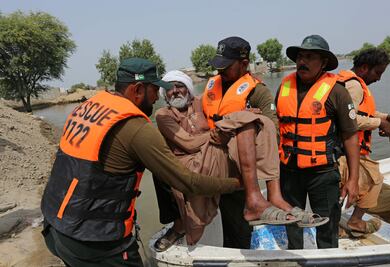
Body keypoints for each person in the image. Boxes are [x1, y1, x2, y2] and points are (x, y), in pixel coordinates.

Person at [40, 58, 241, 267]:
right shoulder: (136, 128)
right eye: (155, 90)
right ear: (137, 90)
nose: (157, 98)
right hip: (95, 242)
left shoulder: (89, 107)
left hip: (55, 229)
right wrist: (235, 184)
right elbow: (189, 182)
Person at [153, 70, 304, 250]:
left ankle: (269, 194)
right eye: (170, 88)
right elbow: (189, 143)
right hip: (191, 166)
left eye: (180, 86)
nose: (175, 91)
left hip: (215, 156)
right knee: (241, 120)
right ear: (164, 94)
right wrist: (222, 129)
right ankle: (250, 190)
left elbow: (223, 112)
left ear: (188, 89)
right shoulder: (163, 115)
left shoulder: (200, 102)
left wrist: (239, 117)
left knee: (258, 122)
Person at [200, 36, 319, 249]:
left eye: (225, 66)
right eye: (218, 66)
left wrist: (239, 121)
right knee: (223, 223)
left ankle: (268, 202)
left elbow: (271, 133)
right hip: (213, 162)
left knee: (239, 230)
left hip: (239, 171)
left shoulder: (258, 91)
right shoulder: (211, 86)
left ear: (244, 64)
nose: (220, 72)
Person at [275, 35, 360, 249]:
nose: (302, 61)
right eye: (300, 56)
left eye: (310, 57)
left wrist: (353, 180)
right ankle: (295, 258)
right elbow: (276, 128)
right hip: (288, 171)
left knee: (327, 228)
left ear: (323, 63)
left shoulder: (337, 92)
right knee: (291, 223)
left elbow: (351, 137)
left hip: (322, 174)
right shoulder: (284, 87)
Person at [337, 48, 390, 237]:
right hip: (346, 151)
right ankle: (356, 221)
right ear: (364, 68)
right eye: (378, 73)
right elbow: (350, 119)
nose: (378, 79)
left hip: (340, 150)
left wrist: (387, 117)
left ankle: (337, 225)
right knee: (374, 179)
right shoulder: (354, 86)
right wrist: (379, 123)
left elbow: (362, 112)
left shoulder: (347, 81)